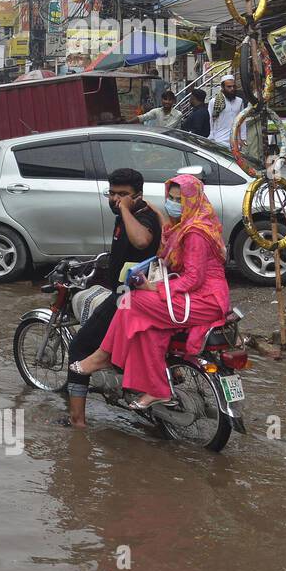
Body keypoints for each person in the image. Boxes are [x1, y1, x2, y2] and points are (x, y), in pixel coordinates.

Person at [73, 174, 231, 409]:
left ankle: (103, 356)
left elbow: (193, 279)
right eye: (172, 198)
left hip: (204, 300)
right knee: (145, 329)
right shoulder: (182, 226)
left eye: (180, 200)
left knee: (130, 301)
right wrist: (159, 216)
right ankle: (158, 390)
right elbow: (165, 252)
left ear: (194, 201)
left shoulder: (196, 232)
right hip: (192, 297)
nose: (174, 204)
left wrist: (153, 287)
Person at [65, 168, 161, 428]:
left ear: (137, 196)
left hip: (127, 298)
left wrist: (127, 209)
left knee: (79, 348)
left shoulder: (141, 218)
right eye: (112, 193)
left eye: (123, 195)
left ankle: (77, 422)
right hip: (127, 292)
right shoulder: (130, 213)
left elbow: (141, 242)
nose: (116, 200)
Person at [209, 75, 246, 146]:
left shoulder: (239, 101)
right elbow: (210, 120)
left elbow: (242, 120)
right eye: (229, 87)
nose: (232, 89)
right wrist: (212, 137)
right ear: (222, 87)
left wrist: (243, 138)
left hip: (236, 140)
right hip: (220, 140)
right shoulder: (214, 102)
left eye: (234, 86)